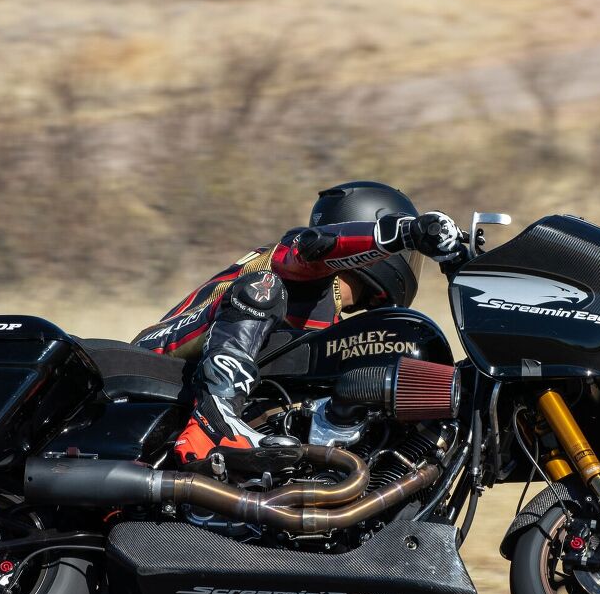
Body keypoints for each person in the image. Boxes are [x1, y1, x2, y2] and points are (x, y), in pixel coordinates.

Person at [133, 181, 463, 463]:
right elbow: (310, 249)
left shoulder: (327, 314)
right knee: (263, 288)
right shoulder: (296, 259)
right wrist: (403, 233)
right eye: (408, 253)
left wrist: (458, 261)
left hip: (198, 370)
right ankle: (214, 423)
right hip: (156, 352)